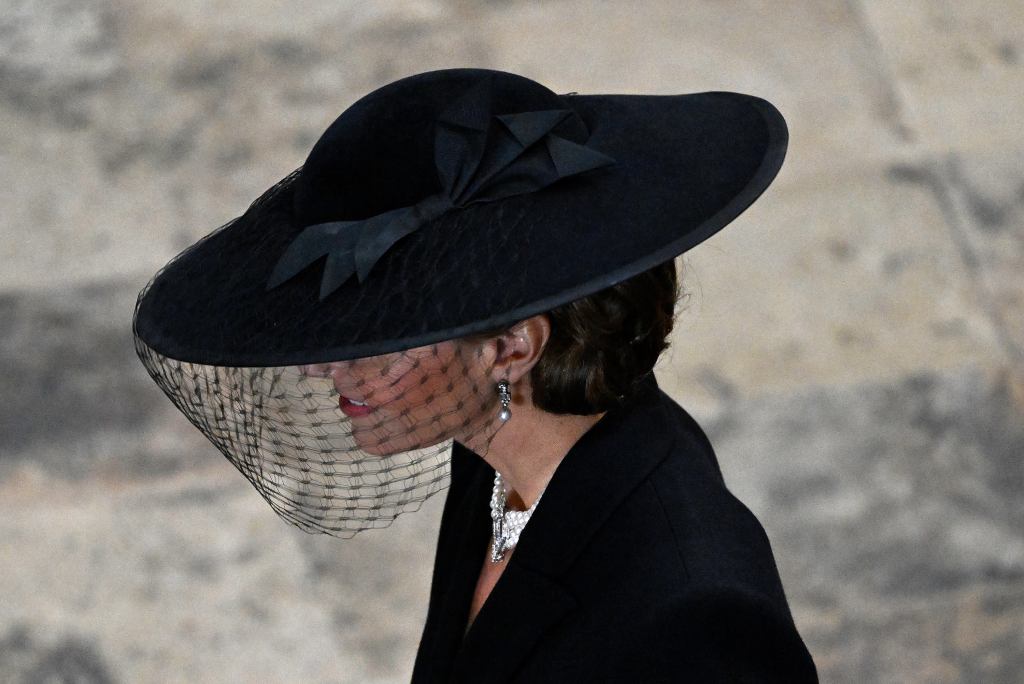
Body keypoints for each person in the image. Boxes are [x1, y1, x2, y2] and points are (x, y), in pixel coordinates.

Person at [133, 67, 818, 681]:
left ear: (513, 348)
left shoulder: (698, 623)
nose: (319, 367)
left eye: (378, 339)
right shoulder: (494, 457)